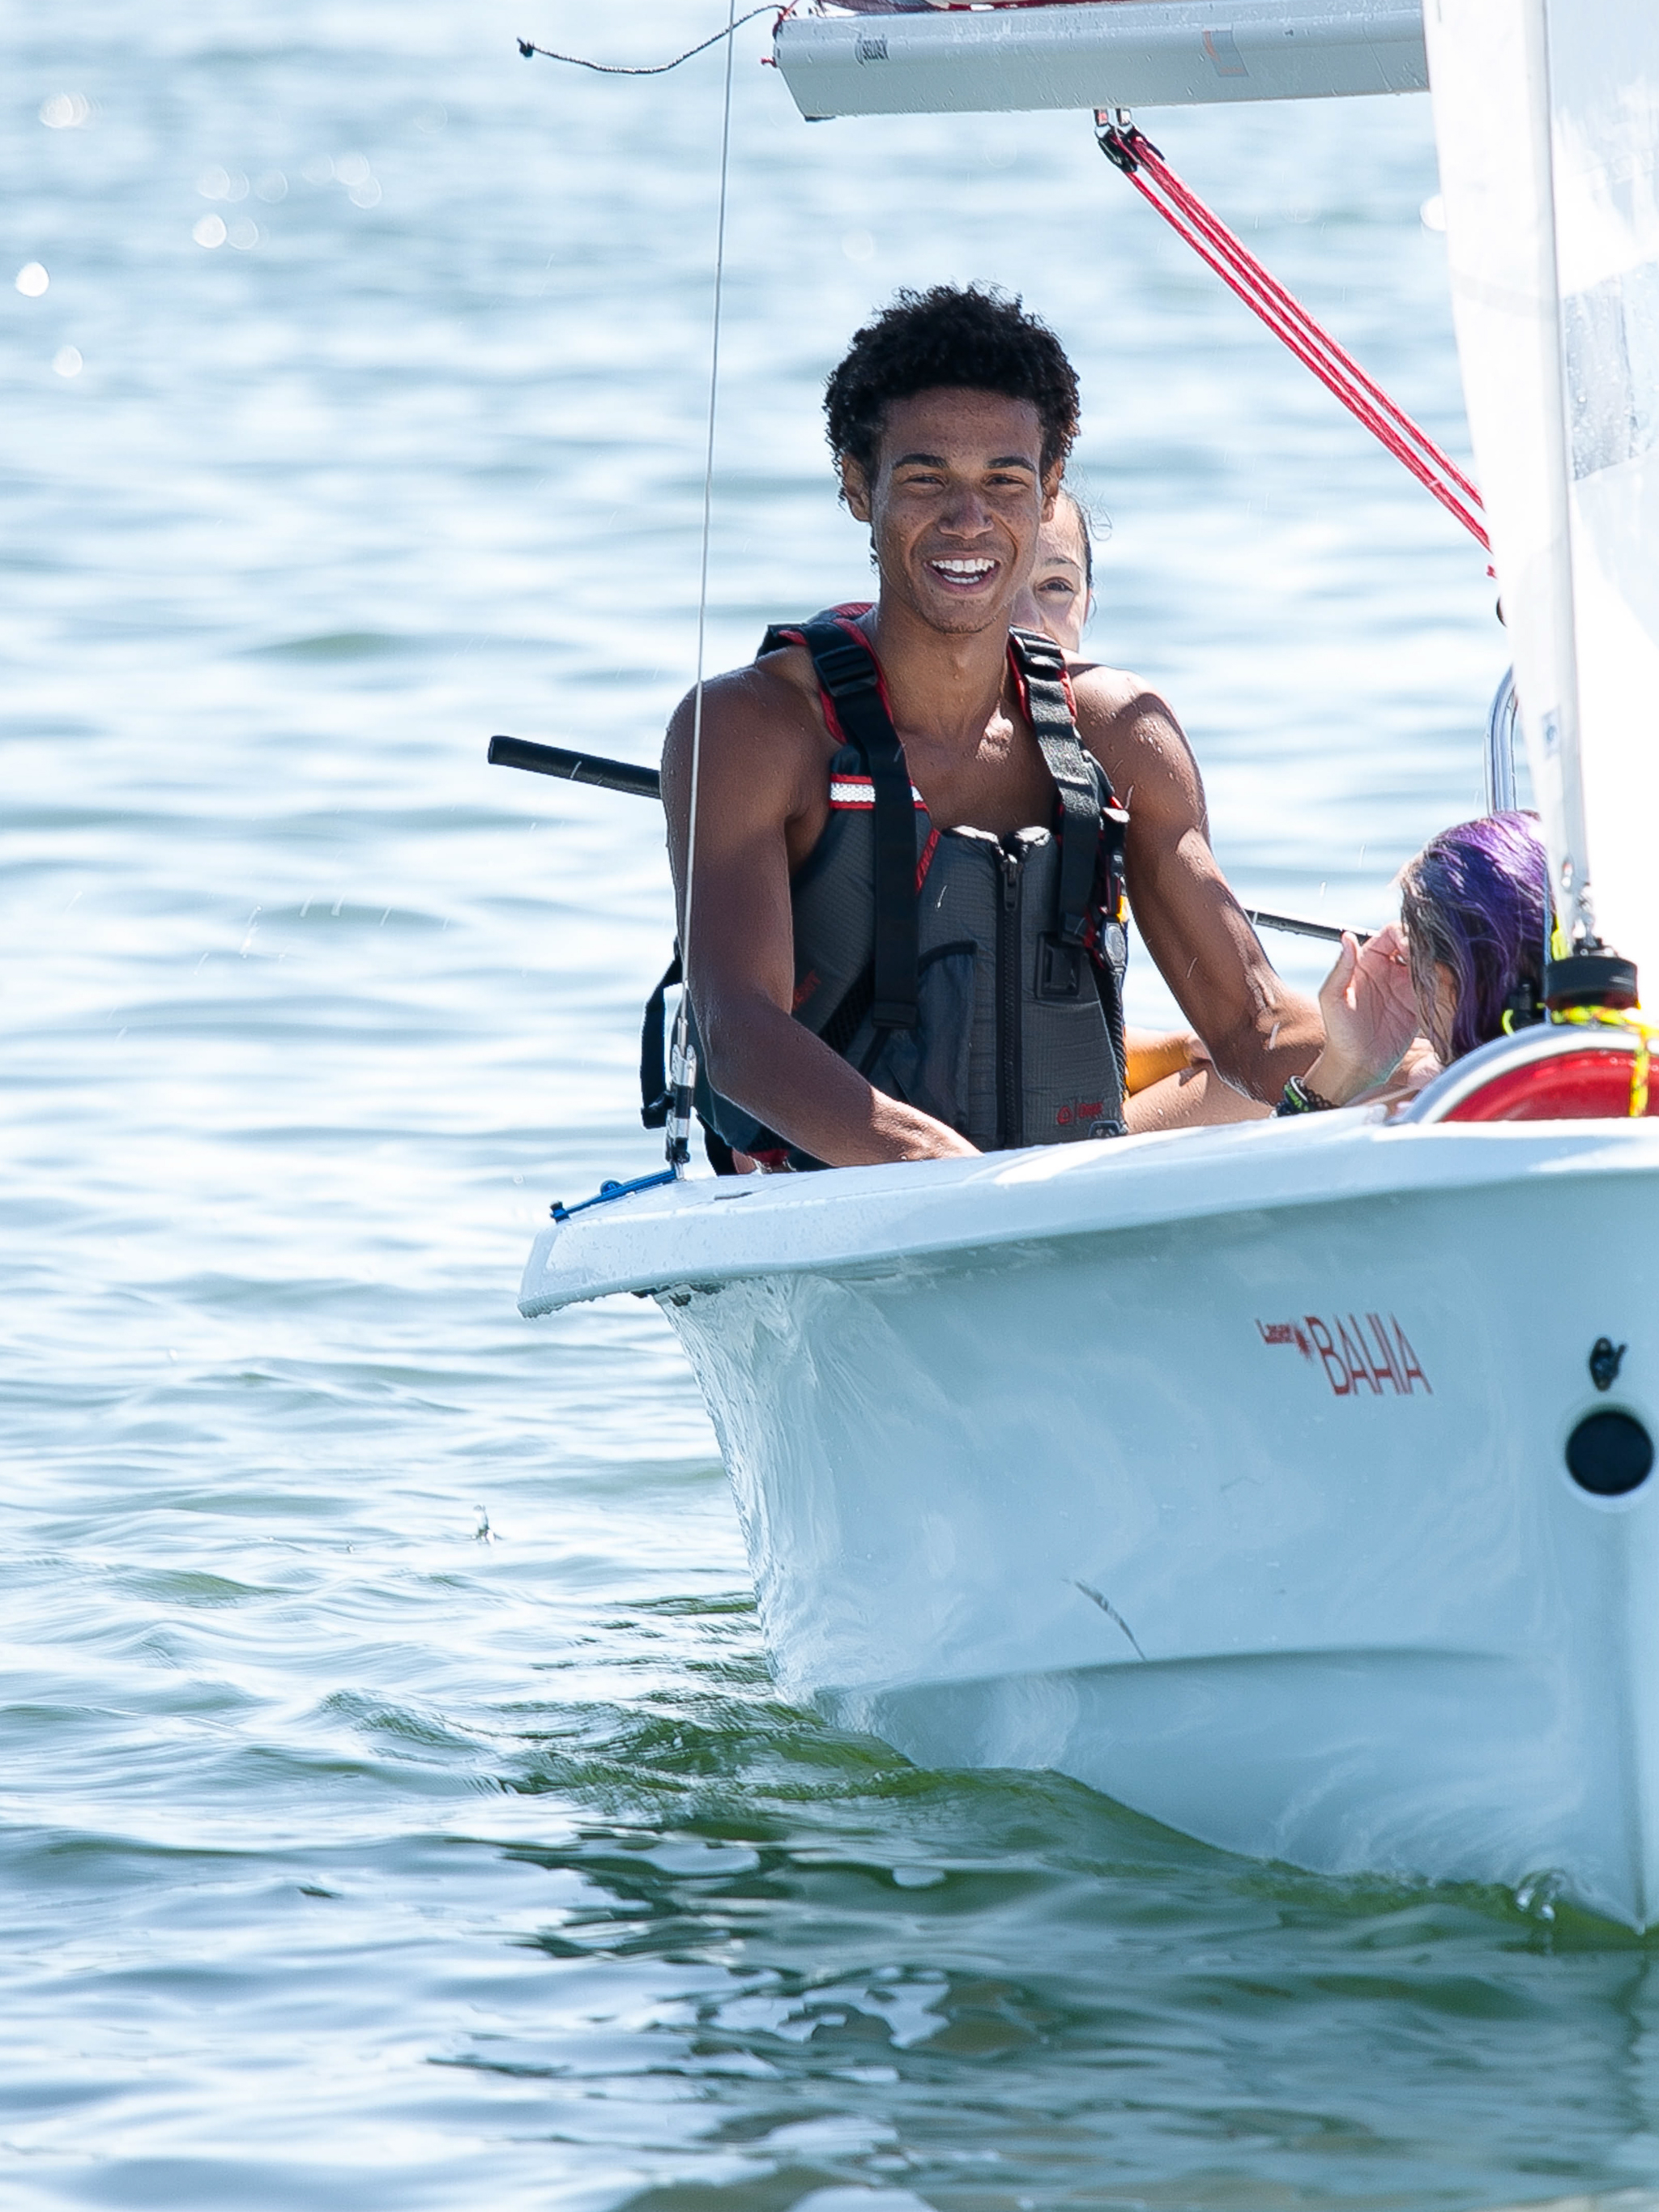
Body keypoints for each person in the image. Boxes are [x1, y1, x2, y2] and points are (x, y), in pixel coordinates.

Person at [659, 283, 1321, 1170]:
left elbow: (1252, 1030)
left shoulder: (1119, 732)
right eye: (926, 478)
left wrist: (1396, 1063)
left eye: (1004, 481)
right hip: (843, 1217)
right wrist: (954, 1184)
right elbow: (737, 1032)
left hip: (1063, 1216)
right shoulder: (748, 729)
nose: (968, 520)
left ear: (1049, 488)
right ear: (858, 486)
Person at [1277, 809, 1547, 1114]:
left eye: (1415, 958)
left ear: (1443, 978)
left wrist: (1348, 1069)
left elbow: (1274, 1159)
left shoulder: (1410, 1117)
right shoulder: (1608, 1072)